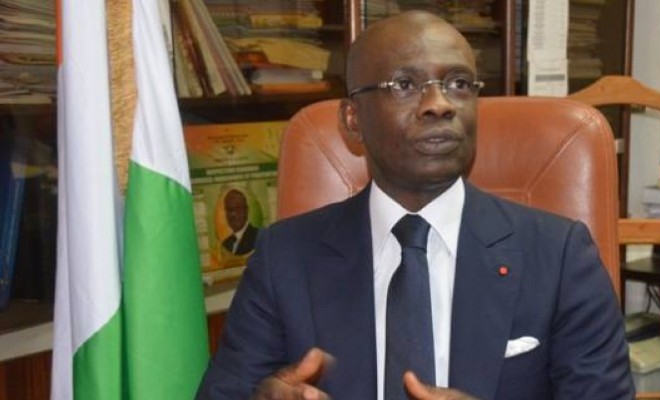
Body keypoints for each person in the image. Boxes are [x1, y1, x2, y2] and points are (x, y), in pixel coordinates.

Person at [197, 10, 634, 400]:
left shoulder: (559, 256)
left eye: (458, 84)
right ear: (353, 120)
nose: (439, 104)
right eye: (405, 85)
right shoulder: (285, 257)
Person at [220, 189, 257, 256]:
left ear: (246, 210)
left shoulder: (258, 237)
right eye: (229, 209)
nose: (233, 214)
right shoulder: (225, 244)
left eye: (238, 208)